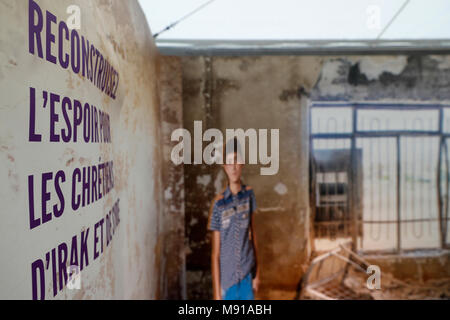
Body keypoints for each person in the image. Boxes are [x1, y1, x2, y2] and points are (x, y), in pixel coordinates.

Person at [207, 138, 260, 300]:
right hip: (227, 281)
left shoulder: (249, 196)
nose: (233, 166)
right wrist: (217, 293)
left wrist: (257, 275)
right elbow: (215, 254)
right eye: (229, 162)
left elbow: (253, 236)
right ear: (224, 167)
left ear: (242, 163)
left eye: (236, 160)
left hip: (246, 275)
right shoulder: (218, 204)